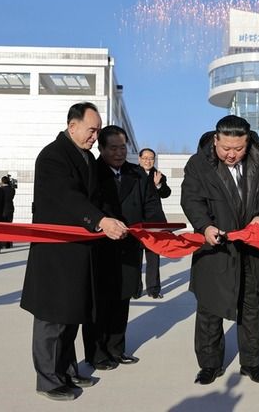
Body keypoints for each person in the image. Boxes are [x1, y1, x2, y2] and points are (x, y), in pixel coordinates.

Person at [20, 102, 128, 401]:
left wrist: (115, 220)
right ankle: (48, 379)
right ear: (73, 126)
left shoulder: (87, 158)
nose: (95, 136)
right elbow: (68, 198)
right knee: (52, 318)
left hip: (79, 251)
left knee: (71, 315)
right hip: (56, 253)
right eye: (92, 130)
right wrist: (100, 220)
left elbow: (97, 198)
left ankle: (66, 370)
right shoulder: (53, 156)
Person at [180, 115, 259, 385]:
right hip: (216, 248)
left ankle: (252, 364)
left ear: (247, 142)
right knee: (210, 309)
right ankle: (209, 365)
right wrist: (204, 226)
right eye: (225, 148)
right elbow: (191, 199)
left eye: (238, 149)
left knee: (253, 308)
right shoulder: (198, 164)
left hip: (254, 249)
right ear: (215, 139)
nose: (231, 154)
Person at [82, 126, 161, 371]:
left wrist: (157, 230)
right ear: (101, 148)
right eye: (113, 148)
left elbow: (151, 205)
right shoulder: (91, 172)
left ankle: (117, 349)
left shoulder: (137, 174)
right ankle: (96, 353)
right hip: (99, 246)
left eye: (123, 148)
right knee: (99, 302)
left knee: (122, 298)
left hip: (129, 246)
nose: (119, 153)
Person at [137, 148, 171, 298]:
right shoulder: (131, 174)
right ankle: (135, 290)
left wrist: (158, 185)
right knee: (135, 258)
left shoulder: (158, 175)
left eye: (151, 158)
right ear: (139, 159)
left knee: (153, 257)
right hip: (137, 221)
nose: (147, 161)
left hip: (154, 222)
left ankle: (154, 289)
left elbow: (166, 193)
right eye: (145, 158)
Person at [0, 175, 16, 248]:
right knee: (9, 225)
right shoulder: (12, 189)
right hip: (10, 208)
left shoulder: (1, 190)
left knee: (3, 226)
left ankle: (3, 243)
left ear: (2, 181)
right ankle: (9, 243)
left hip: (3, 208)